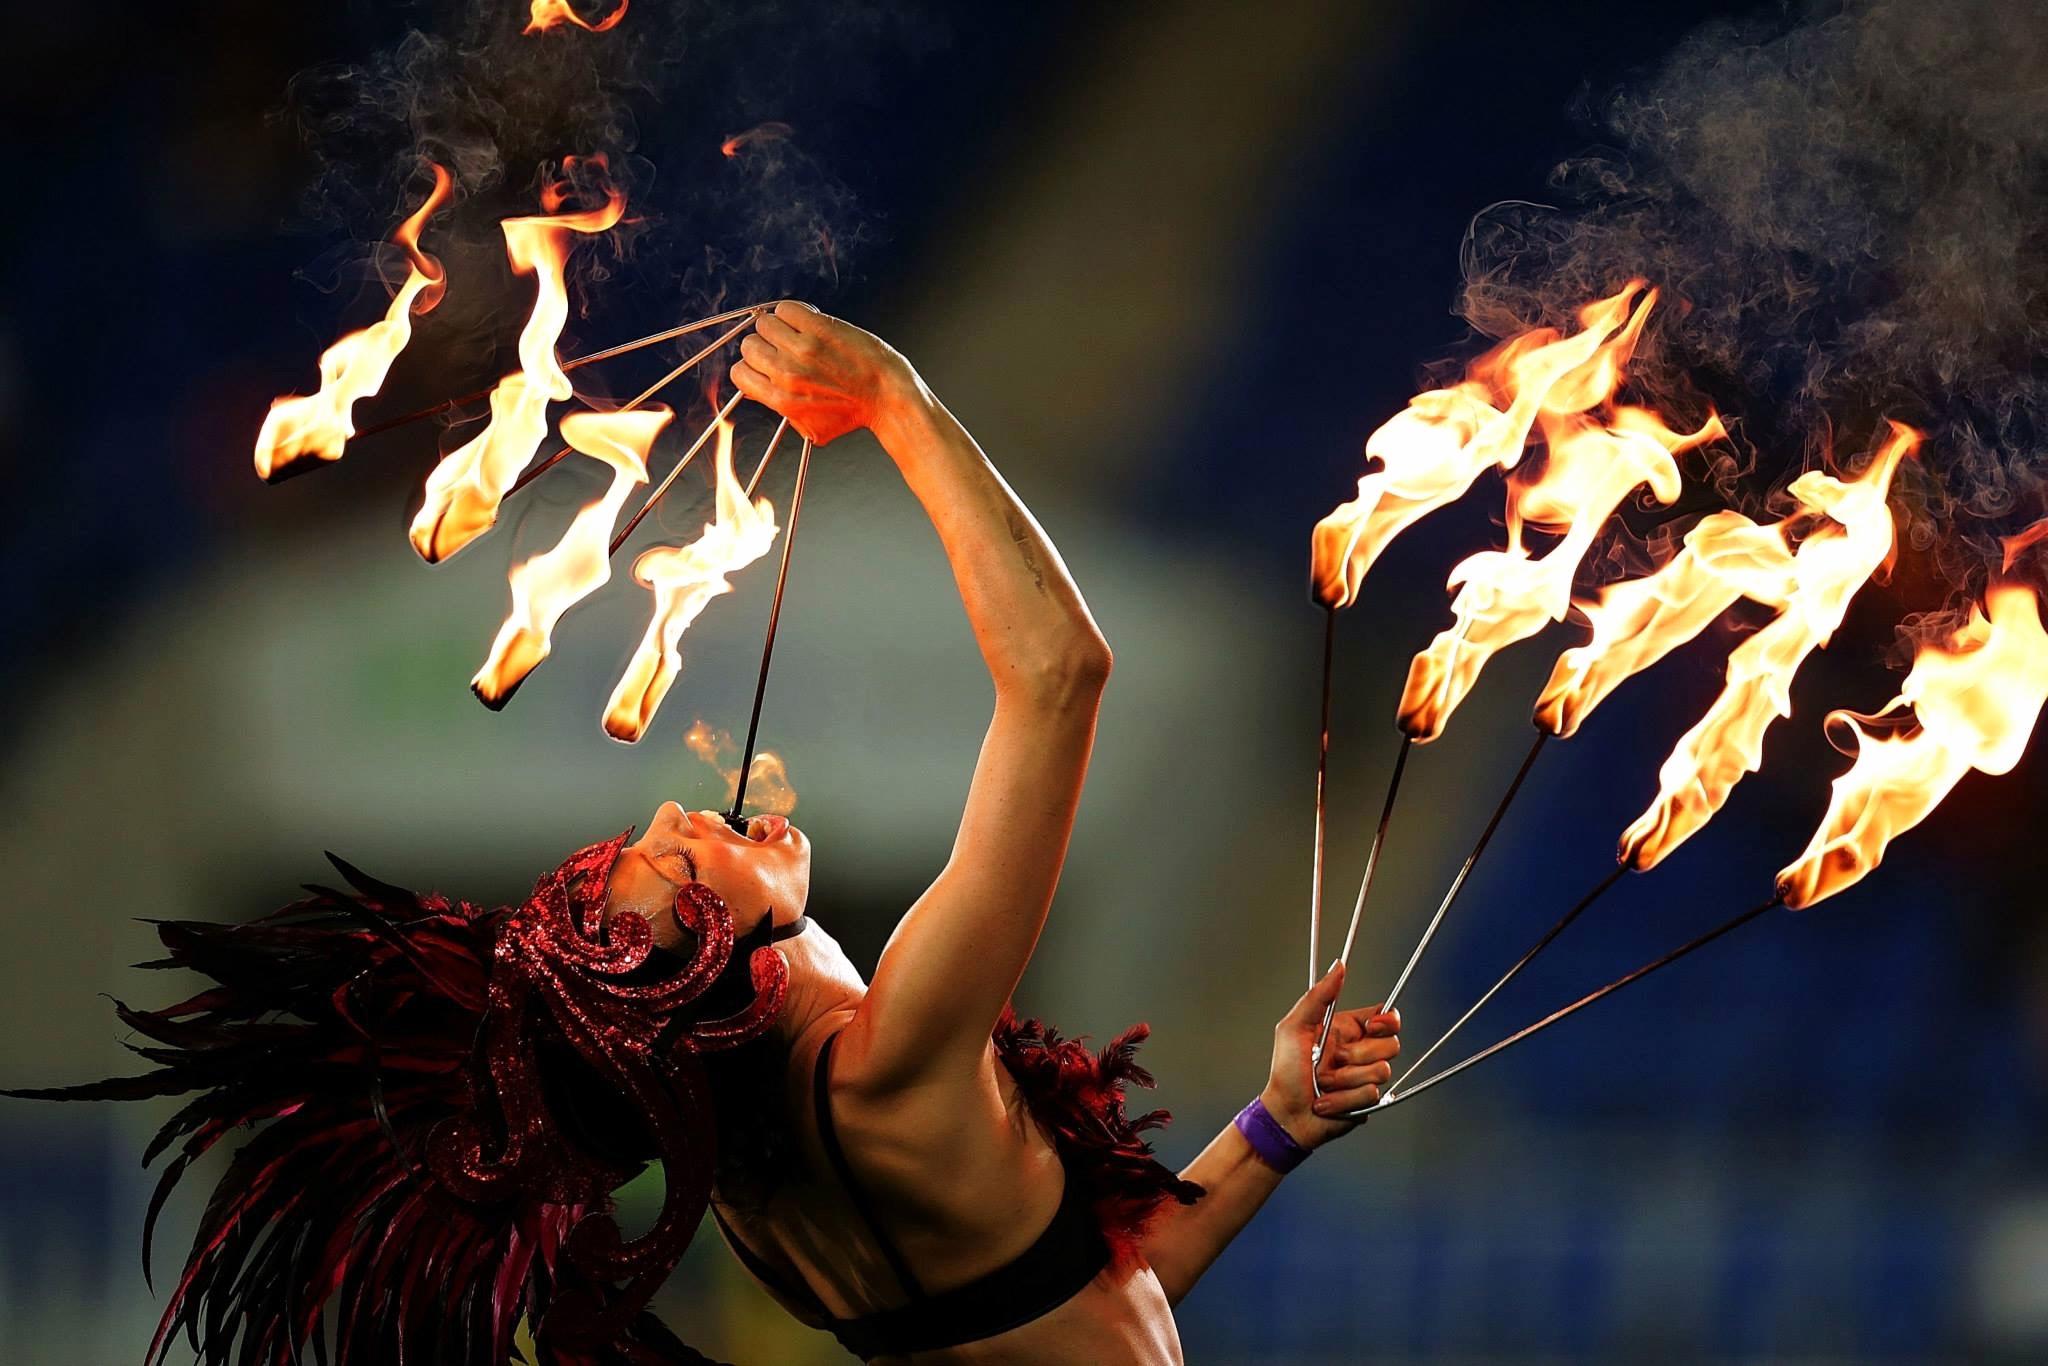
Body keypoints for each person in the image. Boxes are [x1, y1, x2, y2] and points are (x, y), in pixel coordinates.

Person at [11, 304, 1400, 1366]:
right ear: (718, 968)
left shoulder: (754, 1173)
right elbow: (1059, 676)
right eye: (679, 864)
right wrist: (899, 406)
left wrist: (1273, 1124)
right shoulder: (893, 1060)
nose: (682, 811)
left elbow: (1093, 1298)